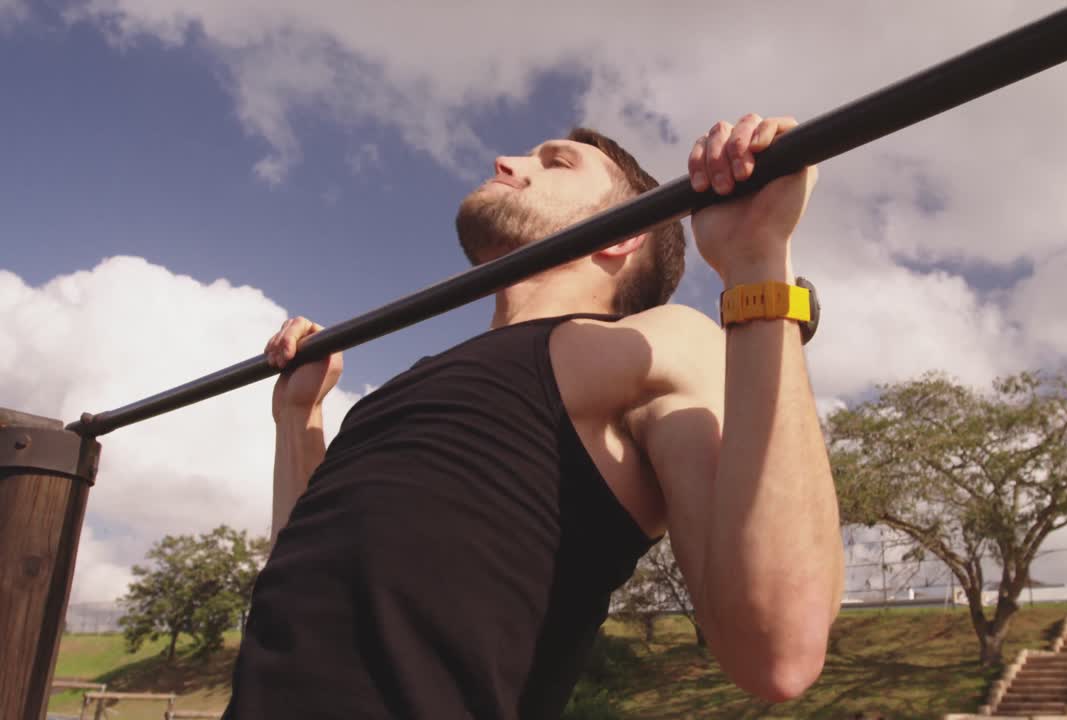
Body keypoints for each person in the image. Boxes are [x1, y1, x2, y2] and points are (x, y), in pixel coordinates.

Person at [223, 113, 844, 719]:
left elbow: (778, 652)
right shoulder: (400, 389)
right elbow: (298, 581)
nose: (506, 162)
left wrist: (757, 262)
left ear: (621, 235)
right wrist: (298, 417)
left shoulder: (655, 343)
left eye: (557, 162)